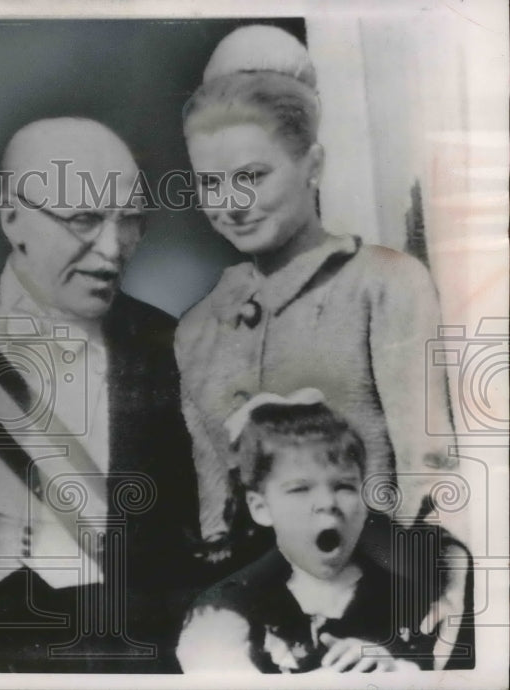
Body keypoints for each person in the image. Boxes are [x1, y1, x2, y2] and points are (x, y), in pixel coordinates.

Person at [173, 25, 472, 668]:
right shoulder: (197, 329)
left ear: (313, 164)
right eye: (210, 183)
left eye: (253, 175)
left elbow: (433, 484)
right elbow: (217, 526)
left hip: (386, 618)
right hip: (256, 631)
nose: (231, 205)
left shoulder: (383, 284)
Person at [0, 117, 200, 672]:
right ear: (13, 218)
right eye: (85, 219)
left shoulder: (174, 349)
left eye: (130, 221)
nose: (114, 248)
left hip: (131, 654)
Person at [177, 392, 442, 673]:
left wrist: (396, 673)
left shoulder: (409, 601)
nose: (328, 503)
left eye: (344, 486)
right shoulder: (225, 612)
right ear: (261, 508)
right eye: (300, 489)